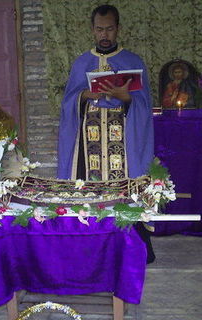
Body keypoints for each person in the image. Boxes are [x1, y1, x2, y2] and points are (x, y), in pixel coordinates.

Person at [57, 5, 155, 262]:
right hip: (88, 144)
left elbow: (144, 107)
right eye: (100, 29)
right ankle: (90, 247)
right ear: (92, 30)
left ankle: (131, 248)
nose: (105, 34)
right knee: (89, 191)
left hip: (123, 141)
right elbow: (68, 103)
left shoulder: (133, 62)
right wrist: (83, 95)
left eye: (109, 29)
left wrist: (127, 98)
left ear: (117, 29)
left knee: (124, 192)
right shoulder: (81, 63)